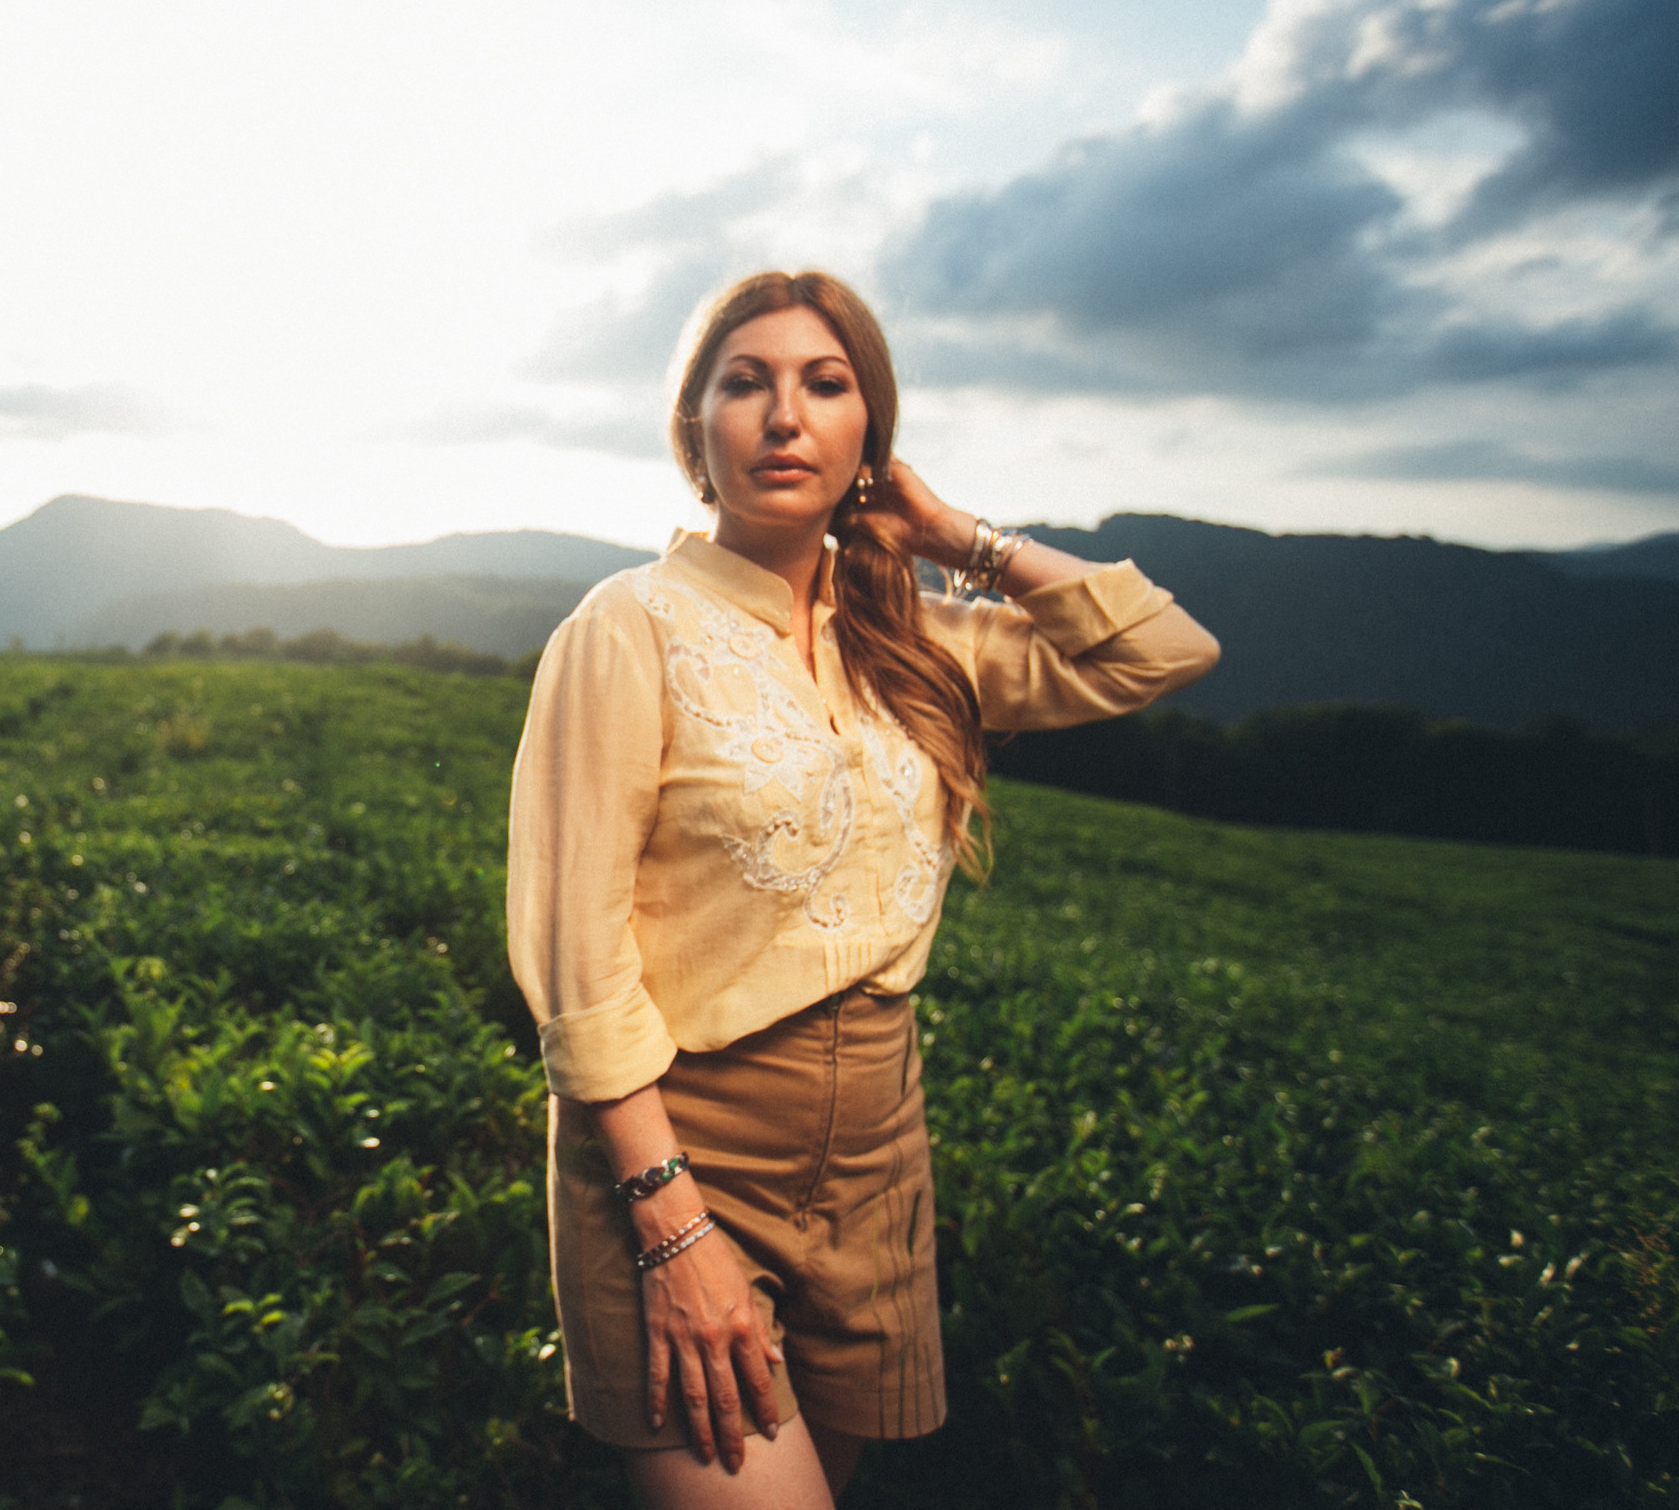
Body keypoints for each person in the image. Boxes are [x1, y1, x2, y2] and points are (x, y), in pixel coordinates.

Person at [507, 270, 1220, 1508]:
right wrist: (670, 1227)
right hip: (684, 1140)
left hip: (881, 1149)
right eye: (746, 384)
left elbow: (1163, 650)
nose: (785, 416)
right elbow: (574, 959)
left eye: (824, 386)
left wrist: (954, 537)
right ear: (695, 433)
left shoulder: (915, 636)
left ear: (867, 438)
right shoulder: (627, 627)